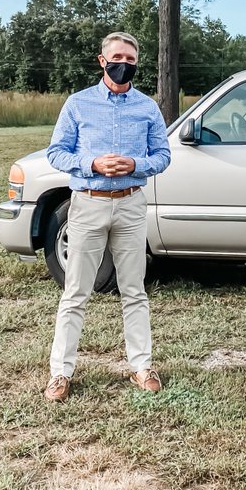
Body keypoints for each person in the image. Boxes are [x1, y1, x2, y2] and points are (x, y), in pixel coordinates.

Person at [43, 32, 171, 402]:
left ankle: (141, 366)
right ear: (102, 61)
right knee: (76, 291)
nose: (123, 64)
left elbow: (163, 156)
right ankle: (60, 373)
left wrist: (135, 164)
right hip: (88, 203)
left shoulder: (147, 107)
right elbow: (56, 152)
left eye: (130, 59)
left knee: (134, 290)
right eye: (117, 58)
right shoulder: (78, 104)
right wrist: (92, 163)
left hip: (130, 204)